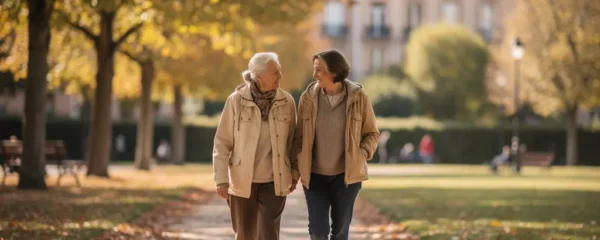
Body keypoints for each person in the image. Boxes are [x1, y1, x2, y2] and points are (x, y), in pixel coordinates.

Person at [292, 50, 380, 240]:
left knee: (340, 230)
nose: (315, 75)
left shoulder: (358, 97)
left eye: (320, 70)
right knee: (318, 230)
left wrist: (362, 153)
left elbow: (372, 133)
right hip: (315, 178)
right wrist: (298, 163)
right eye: (314, 69)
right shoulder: (307, 98)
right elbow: (298, 138)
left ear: (335, 72)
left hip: (346, 178)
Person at [212, 52, 298, 240]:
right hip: (242, 182)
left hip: (274, 181)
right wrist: (221, 179)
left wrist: (294, 174)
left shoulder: (287, 101)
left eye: (280, 71)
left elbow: (294, 142)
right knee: (245, 234)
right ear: (258, 77)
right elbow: (222, 142)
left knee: (268, 234)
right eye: (275, 73)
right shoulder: (235, 100)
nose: (280, 76)